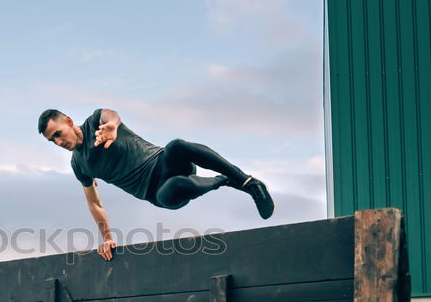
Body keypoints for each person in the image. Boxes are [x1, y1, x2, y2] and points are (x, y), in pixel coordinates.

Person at [37, 108, 275, 261]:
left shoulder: (96, 122)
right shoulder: (79, 164)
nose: (58, 142)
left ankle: (247, 182)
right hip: (158, 192)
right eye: (52, 140)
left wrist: (112, 126)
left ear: (68, 121)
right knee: (176, 187)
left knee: (176, 146)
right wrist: (107, 237)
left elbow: (111, 115)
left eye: (58, 134)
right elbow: (94, 203)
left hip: (163, 163)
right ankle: (223, 181)